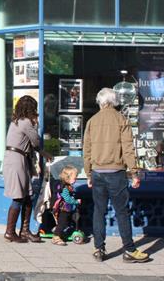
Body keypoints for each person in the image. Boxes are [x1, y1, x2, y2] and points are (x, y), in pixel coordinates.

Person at [83, 88, 150, 263]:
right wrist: (134, 172)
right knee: (122, 211)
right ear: (115, 101)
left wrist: (88, 173)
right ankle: (129, 250)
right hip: (116, 173)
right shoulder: (122, 120)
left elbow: (87, 150)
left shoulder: (92, 121)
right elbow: (128, 149)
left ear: (100, 101)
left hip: (97, 172)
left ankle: (99, 248)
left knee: (99, 210)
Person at [2, 95, 43, 243]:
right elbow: (36, 141)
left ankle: (24, 231)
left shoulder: (16, 121)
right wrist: (36, 125)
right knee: (19, 197)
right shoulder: (25, 122)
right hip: (16, 161)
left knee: (26, 196)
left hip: (18, 159)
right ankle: (10, 232)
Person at [51, 165, 81, 246]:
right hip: (63, 209)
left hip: (66, 209)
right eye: (75, 178)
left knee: (66, 222)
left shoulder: (68, 186)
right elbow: (67, 199)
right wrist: (76, 201)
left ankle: (58, 231)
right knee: (62, 222)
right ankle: (56, 237)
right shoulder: (64, 188)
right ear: (68, 177)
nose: (76, 179)